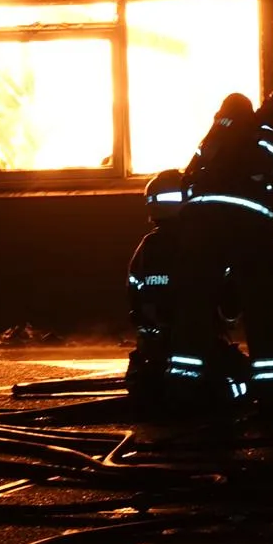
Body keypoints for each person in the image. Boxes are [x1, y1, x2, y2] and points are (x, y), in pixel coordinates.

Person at [168, 88, 273, 411]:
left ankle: (183, 386)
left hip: (199, 224)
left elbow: (189, 178)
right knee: (261, 308)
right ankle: (272, 390)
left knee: (195, 305)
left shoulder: (228, 133)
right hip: (248, 231)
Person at [123, 169, 184, 408]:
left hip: (153, 340)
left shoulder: (148, 246)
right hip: (193, 336)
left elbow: (133, 288)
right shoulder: (197, 243)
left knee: (145, 388)